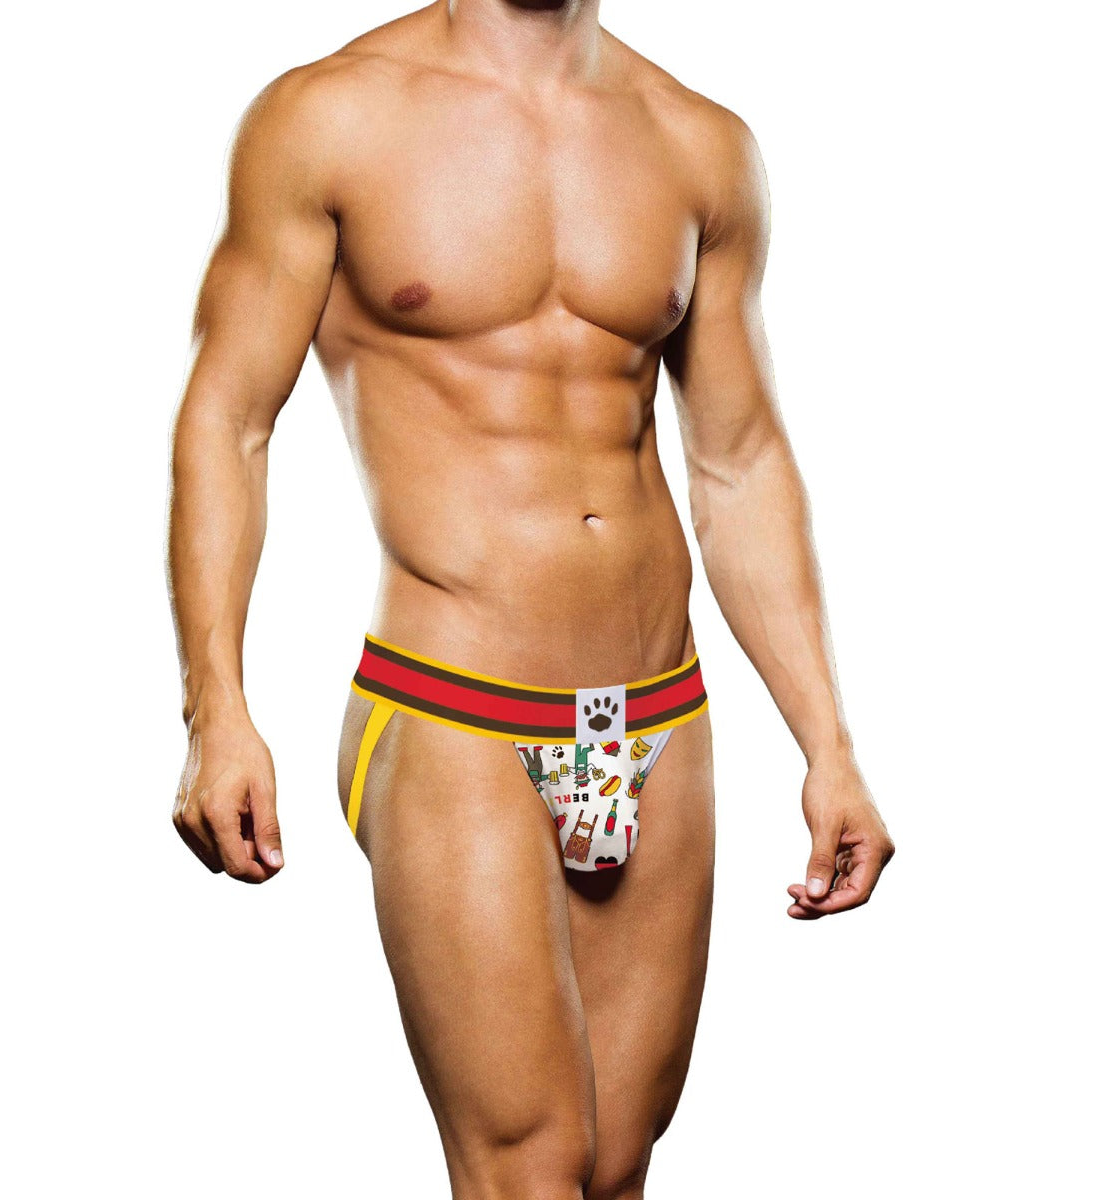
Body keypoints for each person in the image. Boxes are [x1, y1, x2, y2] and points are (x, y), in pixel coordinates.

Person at [166, 2, 895, 1196]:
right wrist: (217, 708)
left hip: (648, 719)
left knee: (612, 1168)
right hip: (459, 706)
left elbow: (739, 461)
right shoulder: (330, 119)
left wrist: (830, 746)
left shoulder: (696, 141)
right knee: (530, 1166)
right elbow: (229, 418)